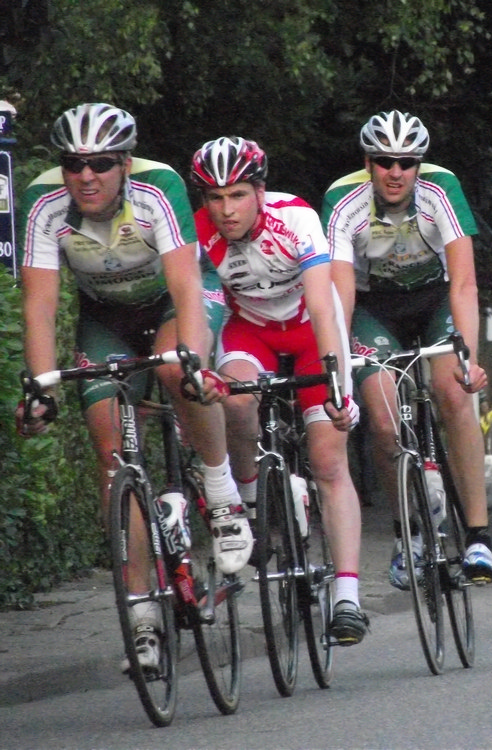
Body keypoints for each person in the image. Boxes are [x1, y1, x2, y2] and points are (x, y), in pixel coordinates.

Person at [16, 103, 251, 672]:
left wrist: (193, 360)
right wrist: (41, 388)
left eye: (100, 163)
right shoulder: (44, 201)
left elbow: (185, 284)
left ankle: (222, 496)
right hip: (108, 319)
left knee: (176, 373)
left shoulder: (157, 186)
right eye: (74, 164)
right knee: (110, 457)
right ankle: (142, 617)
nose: (86, 175)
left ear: (125, 162)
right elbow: (40, 304)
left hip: (175, 300)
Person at [189, 136, 369, 644]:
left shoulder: (296, 219)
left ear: (260, 192)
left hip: (311, 331)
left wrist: (337, 385)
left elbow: (324, 304)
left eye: (238, 195)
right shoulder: (196, 233)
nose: (227, 209)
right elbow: (198, 308)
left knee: (328, 461)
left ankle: (348, 598)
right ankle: (250, 499)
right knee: (235, 401)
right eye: (215, 198)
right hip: (250, 331)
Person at [320, 111, 492, 588]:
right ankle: (408, 535)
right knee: (382, 418)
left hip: (435, 299)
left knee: (454, 392)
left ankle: (478, 535)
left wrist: (468, 358)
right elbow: (340, 294)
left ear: (419, 165)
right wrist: (340, 367)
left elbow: (464, 283)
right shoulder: (342, 199)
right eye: (384, 162)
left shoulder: (442, 188)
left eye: (406, 162)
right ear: (368, 163)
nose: (395, 172)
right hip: (373, 307)